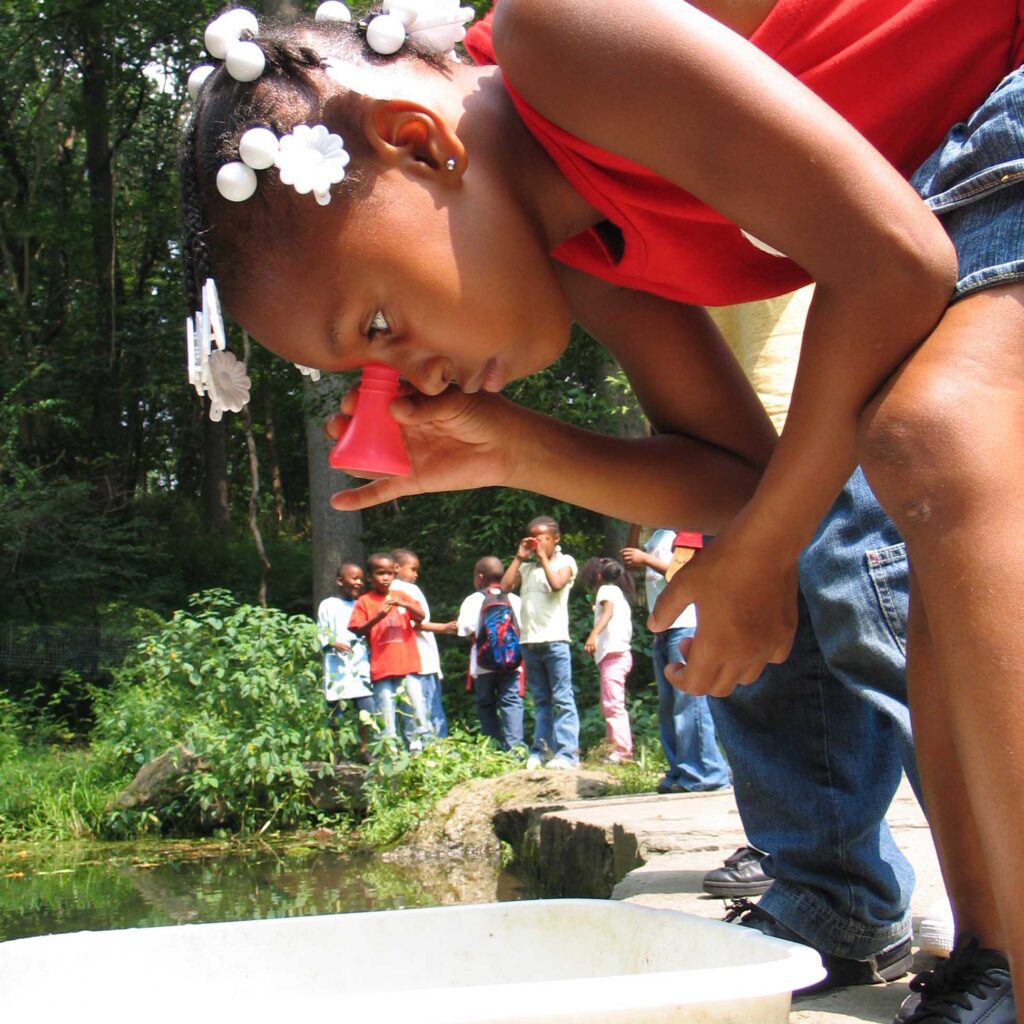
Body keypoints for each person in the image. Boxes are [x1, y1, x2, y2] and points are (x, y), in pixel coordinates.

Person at [179, 3, 1024, 1018]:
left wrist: (758, 554)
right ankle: (992, 958)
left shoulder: (560, 37)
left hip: (994, 92)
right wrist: (519, 450)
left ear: (414, 140)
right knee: (923, 460)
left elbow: (893, 262)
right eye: (365, 367)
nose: (409, 381)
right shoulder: (583, 244)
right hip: (953, 156)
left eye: (378, 324)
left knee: (936, 434)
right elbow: (745, 476)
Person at [622, 530, 731, 793]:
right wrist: (633, 525)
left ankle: (705, 772)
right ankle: (680, 771)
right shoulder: (658, 535)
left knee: (689, 701)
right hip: (664, 628)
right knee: (668, 705)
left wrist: (646, 559)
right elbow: (629, 558)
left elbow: (682, 573)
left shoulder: (683, 529)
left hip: (686, 624)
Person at [500, 516, 579, 769]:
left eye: (544, 538)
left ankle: (568, 754)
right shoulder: (526, 568)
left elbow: (557, 584)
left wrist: (544, 557)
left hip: (555, 641)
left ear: (556, 539)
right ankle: (542, 751)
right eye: (534, 538)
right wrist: (520, 557)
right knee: (541, 701)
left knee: (562, 699)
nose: (538, 543)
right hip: (529, 642)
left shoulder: (566, 562)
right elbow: (504, 587)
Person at [347, 553, 432, 750]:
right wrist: (378, 617)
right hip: (383, 668)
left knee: (415, 710)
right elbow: (357, 630)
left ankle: (418, 753)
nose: (385, 578)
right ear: (370, 577)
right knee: (386, 713)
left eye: (389, 573)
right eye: (380, 573)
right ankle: (390, 755)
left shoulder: (402, 596)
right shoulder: (364, 601)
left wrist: (406, 604)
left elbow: (421, 617)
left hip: (408, 665)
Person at [456, 555, 526, 752]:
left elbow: (465, 630)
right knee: (511, 702)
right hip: (513, 662)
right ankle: (516, 750)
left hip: (483, 664)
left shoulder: (474, 599)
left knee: (485, 704)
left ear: (479, 577)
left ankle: (493, 751)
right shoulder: (514, 599)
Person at [389, 547, 456, 738]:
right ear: (396, 567)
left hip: (414, 660)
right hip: (420, 660)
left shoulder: (391, 590)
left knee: (415, 708)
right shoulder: (404, 589)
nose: (415, 575)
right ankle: (434, 748)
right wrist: (444, 628)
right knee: (427, 707)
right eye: (412, 569)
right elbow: (415, 623)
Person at [316, 561, 375, 757]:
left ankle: (365, 749)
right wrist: (333, 642)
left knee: (366, 710)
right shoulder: (328, 605)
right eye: (354, 578)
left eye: (360, 579)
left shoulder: (363, 604)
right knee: (336, 712)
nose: (358, 582)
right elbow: (321, 632)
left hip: (360, 664)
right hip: (337, 667)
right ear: (340, 581)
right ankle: (337, 751)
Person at [581, 556, 636, 764]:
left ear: (597, 576)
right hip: (617, 655)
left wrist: (593, 634)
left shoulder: (605, 591)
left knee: (613, 704)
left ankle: (622, 751)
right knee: (609, 703)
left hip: (614, 655)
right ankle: (615, 747)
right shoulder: (617, 593)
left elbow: (608, 612)